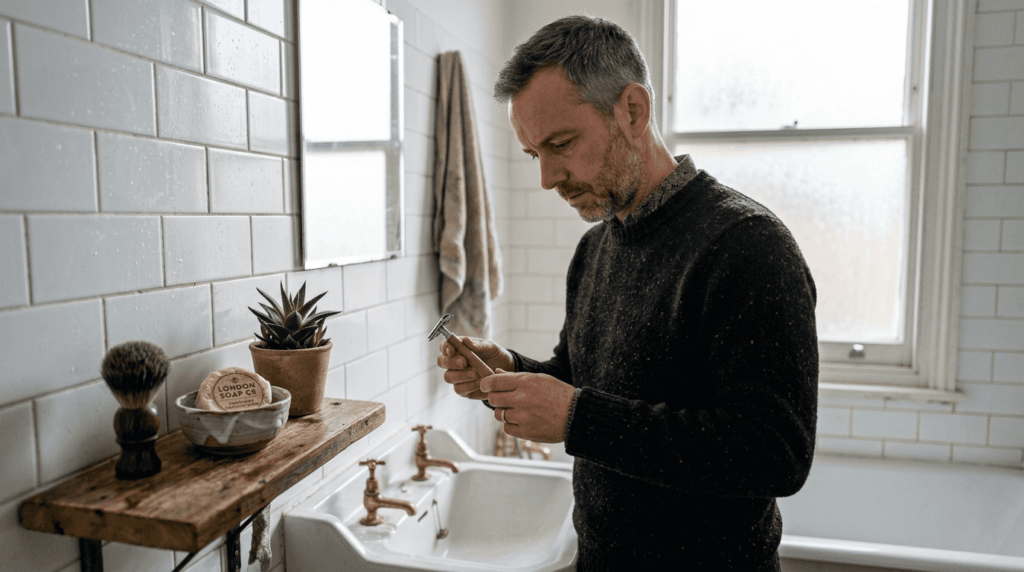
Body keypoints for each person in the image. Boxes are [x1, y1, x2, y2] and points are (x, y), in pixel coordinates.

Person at [435, 15, 818, 571]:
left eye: (561, 144)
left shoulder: (748, 246)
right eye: (534, 154)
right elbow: (583, 378)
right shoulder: (594, 250)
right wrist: (511, 370)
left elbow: (775, 454)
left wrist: (577, 419)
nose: (547, 177)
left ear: (632, 111)